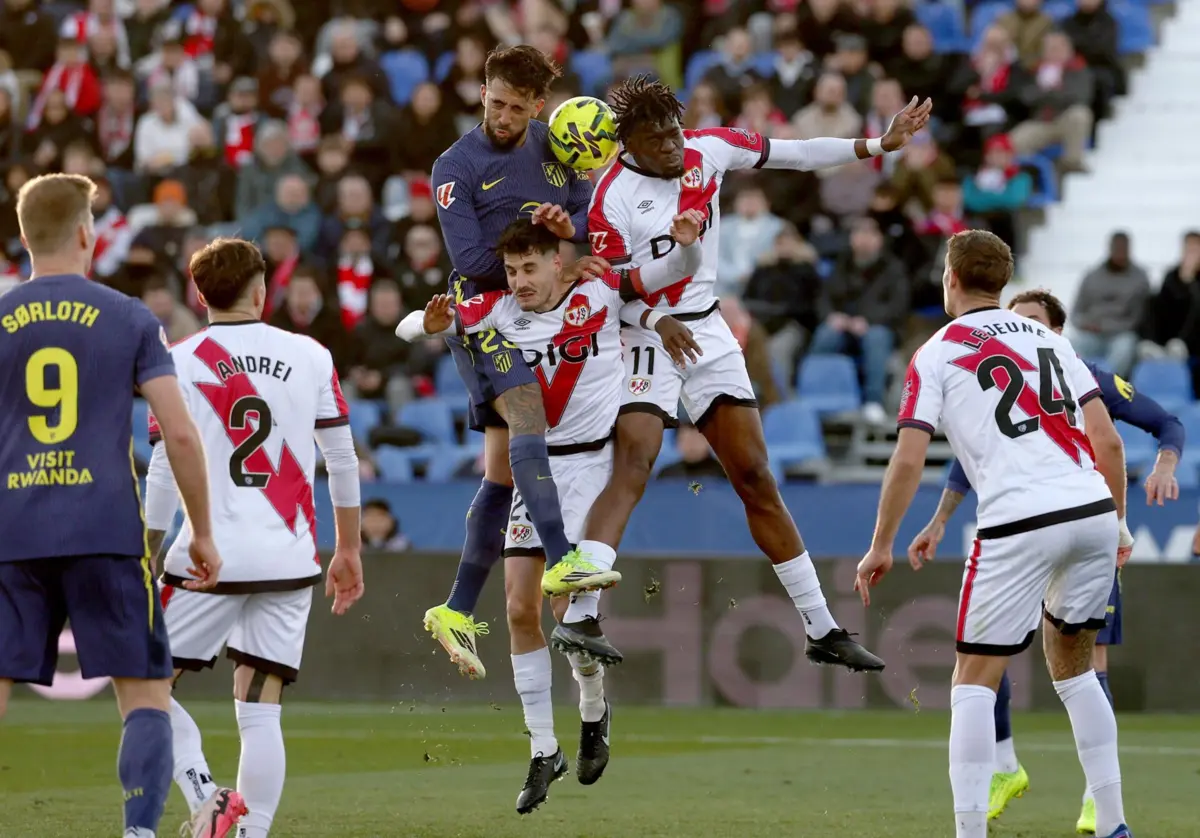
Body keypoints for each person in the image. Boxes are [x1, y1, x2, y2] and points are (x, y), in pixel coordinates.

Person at [576, 75, 935, 672]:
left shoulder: (708, 148)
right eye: (656, 138)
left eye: (673, 131)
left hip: (709, 330)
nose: (672, 146)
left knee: (755, 474)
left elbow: (794, 154)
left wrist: (876, 145)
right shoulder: (611, 195)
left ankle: (822, 628)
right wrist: (658, 320)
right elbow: (610, 285)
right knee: (634, 461)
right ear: (627, 142)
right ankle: (582, 612)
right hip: (646, 333)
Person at [396, 211, 707, 814]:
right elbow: (414, 326)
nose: (519, 282)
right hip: (530, 468)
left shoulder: (598, 289)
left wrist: (688, 251)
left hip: (590, 468)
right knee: (518, 608)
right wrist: (426, 324)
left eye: (530, 268)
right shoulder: (497, 312)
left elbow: (664, 273)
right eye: (511, 270)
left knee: (572, 624)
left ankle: (594, 711)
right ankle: (543, 749)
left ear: (558, 262)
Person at [856, 230, 1134, 838]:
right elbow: (1108, 441)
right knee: (1076, 668)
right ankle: (1113, 823)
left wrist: (881, 542)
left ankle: (970, 831)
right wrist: (1116, 524)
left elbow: (908, 460)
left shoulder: (936, 351)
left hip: (1018, 519)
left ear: (950, 278)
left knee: (972, 679)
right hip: (1089, 509)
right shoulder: (1054, 341)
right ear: (1003, 283)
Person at [910, 287, 1182, 834]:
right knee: (1026, 658)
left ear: (1056, 328)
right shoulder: (1004, 370)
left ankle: (1089, 796)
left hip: (1066, 518)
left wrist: (1164, 467)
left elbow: (1161, 426)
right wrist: (940, 518)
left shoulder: (1088, 372)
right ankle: (1018, 769)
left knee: (1074, 662)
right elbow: (969, 461)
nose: (1016, 329)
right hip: (1083, 521)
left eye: (1031, 320)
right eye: (1013, 320)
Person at [0, 173, 221, 838]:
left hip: (13, 532)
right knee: (145, 698)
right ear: (86, 233)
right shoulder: (128, 317)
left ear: (24, 236)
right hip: (104, 529)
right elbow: (178, 433)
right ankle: (138, 833)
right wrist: (202, 531)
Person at [143, 237, 365, 838]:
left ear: (199, 294)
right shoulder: (310, 354)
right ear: (262, 290)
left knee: (142, 684)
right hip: (290, 556)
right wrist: (348, 549)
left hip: (206, 556)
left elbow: (164, 467)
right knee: (260, 709)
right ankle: (250, 833)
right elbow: (341, 461)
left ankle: (207, 794)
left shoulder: (179, 361)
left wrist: (147, 547)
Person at [422, 45, 612, 679]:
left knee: (503, 473)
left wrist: (571, 227)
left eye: (514, 107)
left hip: (538, 315)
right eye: (492, 102)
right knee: (528, 413)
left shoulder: (557, 148)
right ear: (483, 93)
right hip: (482, 318)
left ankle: (452, 608)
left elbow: (590, 214)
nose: (500, 116)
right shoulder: (456, 166)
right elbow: (475, 261)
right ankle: (561, 555)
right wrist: (549, 239)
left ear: (537, 105)